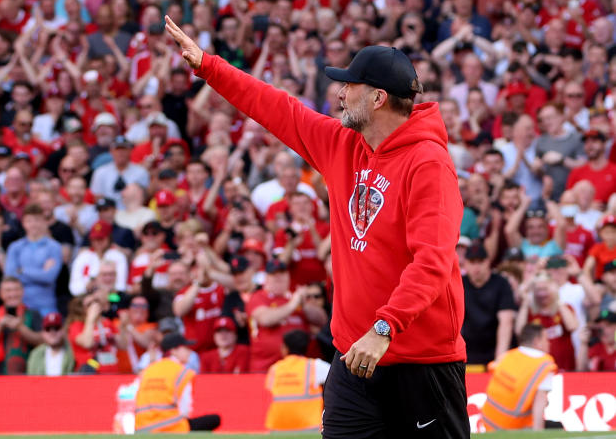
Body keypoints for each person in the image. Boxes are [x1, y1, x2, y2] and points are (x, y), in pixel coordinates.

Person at [166, 23, 467, 437]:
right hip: (352, 361)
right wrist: (208, 66)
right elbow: (276, 107)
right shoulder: (341, 144)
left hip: (420, 363)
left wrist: (384, 328)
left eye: (350, 86)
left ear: (378, 98)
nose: (340, 94)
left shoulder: (429, 163)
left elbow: (432, 262)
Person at [132, 332, 221, 433]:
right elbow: (185, 411)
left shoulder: (148, 370)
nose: (190, 352)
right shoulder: (182, 372)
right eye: (186, 348)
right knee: (214, 419)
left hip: (142, 428)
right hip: (171, 427)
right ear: (173, 351)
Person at [479, 324, 558, 431]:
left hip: (488, 421)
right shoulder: (544, 364)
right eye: (546, 339)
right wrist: (538, 435)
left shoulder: (507, 356)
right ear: (536, 341)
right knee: (557, 428)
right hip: (513, 426)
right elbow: (539, 405)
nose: (549, 343)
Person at [461, 243, 518, 368]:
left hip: (496, 350)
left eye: (480, 262)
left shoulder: (501, 284)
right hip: (469, 352)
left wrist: (499, 359)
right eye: (472, 262)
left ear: (488, 262)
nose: (476, 267)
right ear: (465, 264)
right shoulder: (460, 283)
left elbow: (506, 321)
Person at [264, 330, 330, 432]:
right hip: (309, 427)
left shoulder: (274, 368)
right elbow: (336, 378)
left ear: (285, 348)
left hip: (277, 428)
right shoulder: (315, 365)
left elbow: (269, 394)